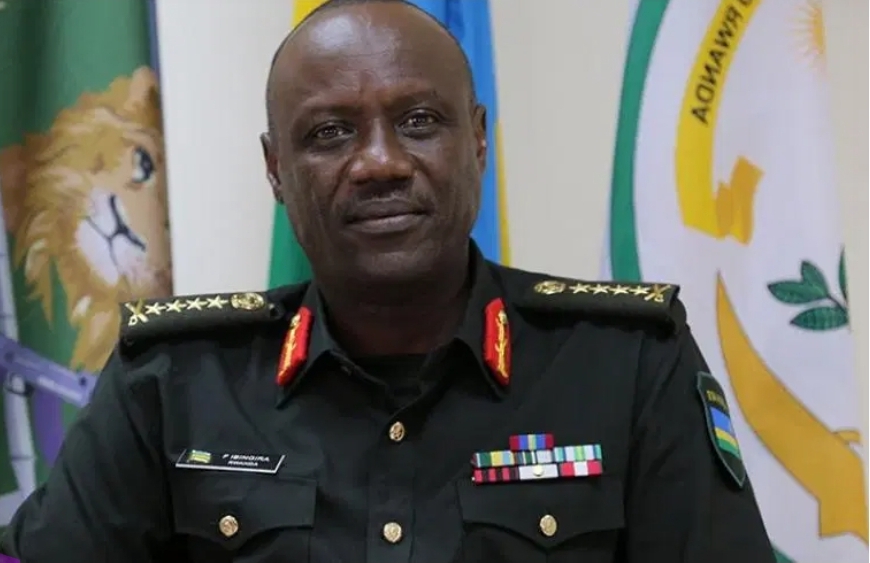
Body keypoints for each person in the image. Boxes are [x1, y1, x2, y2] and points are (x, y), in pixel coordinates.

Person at [0, 0, 778, 561]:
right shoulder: (173, 381)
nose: (379, 162)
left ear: (478, 141)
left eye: (419, 121)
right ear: (276, 169)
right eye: (330, 132)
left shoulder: (627, 365)